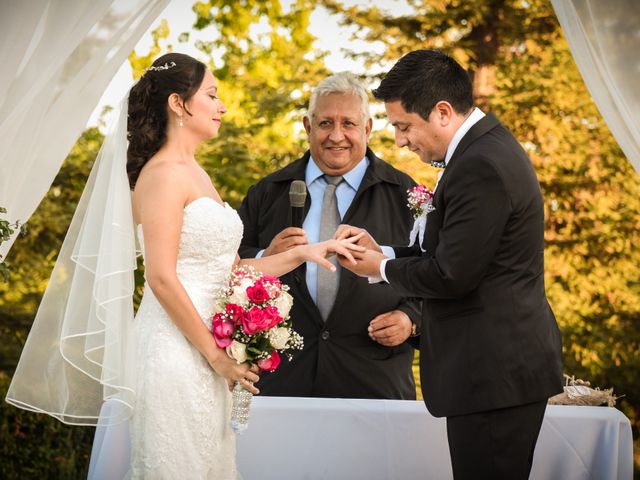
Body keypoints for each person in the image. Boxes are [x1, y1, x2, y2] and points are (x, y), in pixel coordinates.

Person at [6, 53, 361, 479]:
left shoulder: (197, 173)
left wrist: (303, 254)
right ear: (179, 103)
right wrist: (217, 357)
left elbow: (231, 273)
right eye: (211, 95)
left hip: (209, 358)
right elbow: (160, 276)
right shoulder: (161, 175)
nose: (222, 106)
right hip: (174, 354)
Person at [338, 50, 564, 479]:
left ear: (442, 112)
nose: (401, 140)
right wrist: (382, 253)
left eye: (404, 126)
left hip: (495, 373)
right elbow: (449, 253)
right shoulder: (478, 151)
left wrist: (379, 270)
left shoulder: (481, 164)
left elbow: (451, 274)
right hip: (491, 373)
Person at [238, 72, 421, 399]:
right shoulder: (267, 193)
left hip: (374, 382)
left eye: (348, 124)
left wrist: (411, 319)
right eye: (325, 124)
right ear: (308, 127)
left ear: (367, 128)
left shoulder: (407, 195)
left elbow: (440, 272)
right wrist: (268, 256)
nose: (337, 136)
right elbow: (225, 268)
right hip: (280, 381)